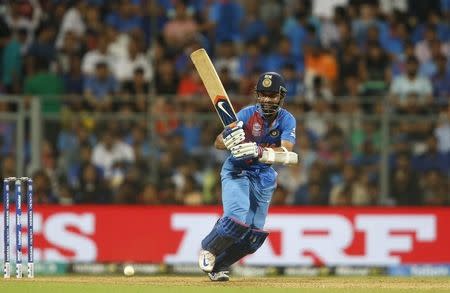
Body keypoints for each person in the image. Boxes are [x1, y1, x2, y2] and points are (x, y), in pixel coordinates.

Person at [198, 72, 298, 281]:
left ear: (281, 96)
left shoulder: (287, 120)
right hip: (238, 170)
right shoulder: (246, 114)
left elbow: (287, 151)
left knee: (253, 236)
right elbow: (218, 143)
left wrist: (259, 151)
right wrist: (229, 138)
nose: (266, 100)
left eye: (271, 95)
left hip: (264, 176)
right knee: (236, 218)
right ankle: (209, 249)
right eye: (262, 94)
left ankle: (219, 266)